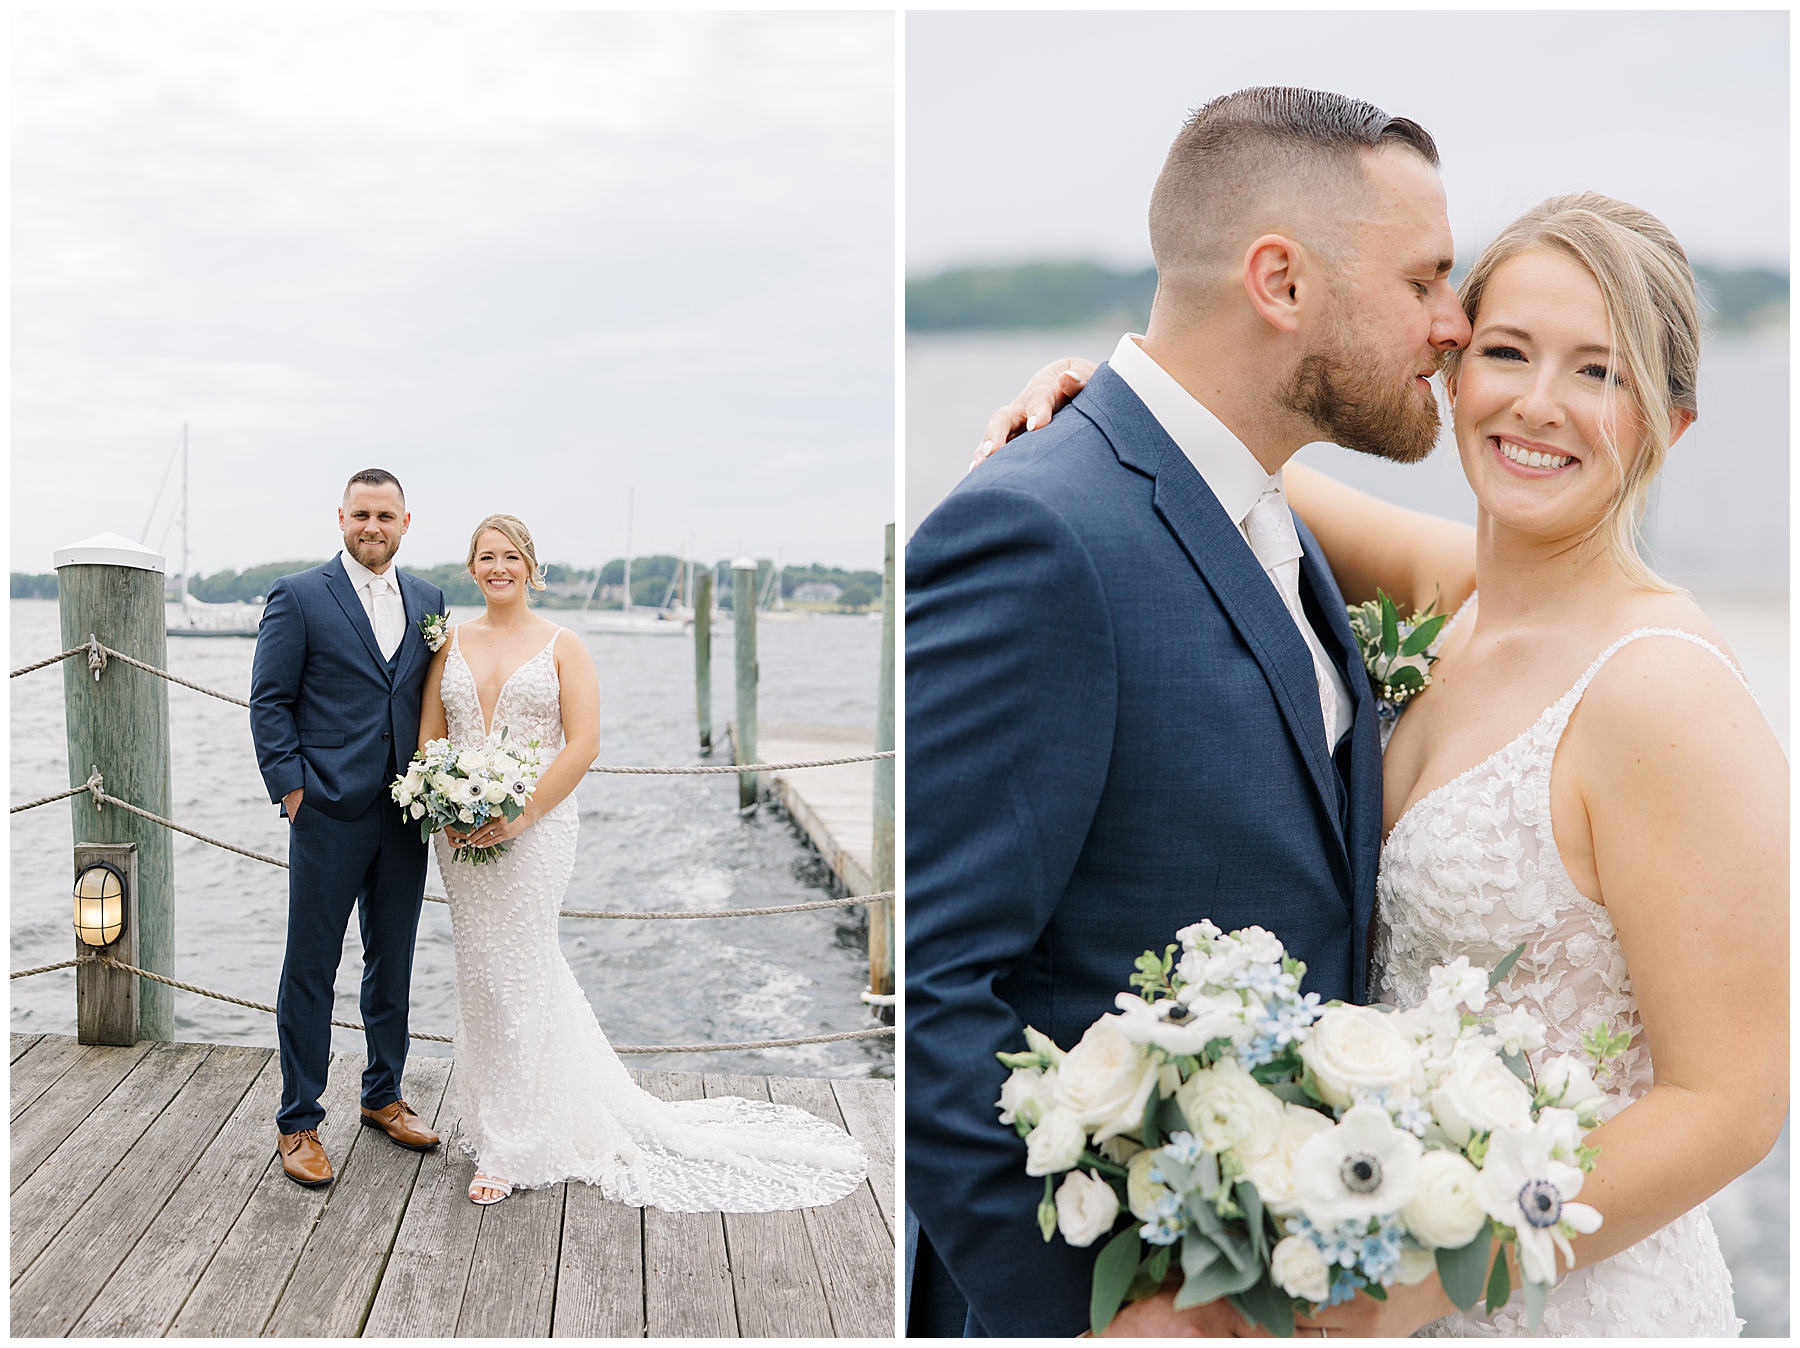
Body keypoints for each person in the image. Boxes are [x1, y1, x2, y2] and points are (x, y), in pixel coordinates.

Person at [974, 192, 1788, 1335]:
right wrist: (1095, 402)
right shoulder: (1456, 597)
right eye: (1507, 351)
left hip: (1548, 1286)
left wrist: (1424, 1273)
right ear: (1450, 371)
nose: (1537, 403)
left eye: (1598, 374)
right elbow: (1218, 459)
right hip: (1366, 1243)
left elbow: (1732, 1103)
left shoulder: (1664, 691)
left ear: (1671, 423)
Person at [906, 87, 1469, 1337]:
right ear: (1280, 280)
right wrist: (1094, 1317)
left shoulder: (1268, 509)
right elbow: (938, 990)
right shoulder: (1038, 531)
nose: (1456, 323)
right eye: (1427, 278)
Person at [418, 513, 868, 1209]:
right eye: (486, 557)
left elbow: (583, 745)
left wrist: (522, 813)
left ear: (532, 568)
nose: (498, 567)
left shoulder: (564, 646)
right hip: (461, 835)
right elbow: (431, 736)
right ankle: (497, 1117)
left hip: (536, 828)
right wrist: (446, 805)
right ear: (470, 568)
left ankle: (517, 1144)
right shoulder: (449, 641)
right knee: (481, 974)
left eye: (511, 556)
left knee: (524, 967)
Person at [250, 469, 448, 1187]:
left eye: (385, 515)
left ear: (405, 522)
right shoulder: (299, 596)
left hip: (405, 816)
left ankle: (383, 1096)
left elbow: (431, 697)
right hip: (327, 812)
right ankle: (298, 1121)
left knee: (391, 960)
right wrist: (294, 791)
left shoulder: (429, 599)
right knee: (310, 967)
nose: (373, 526)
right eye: (361, 514)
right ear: (341, 517)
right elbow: (269, 702)